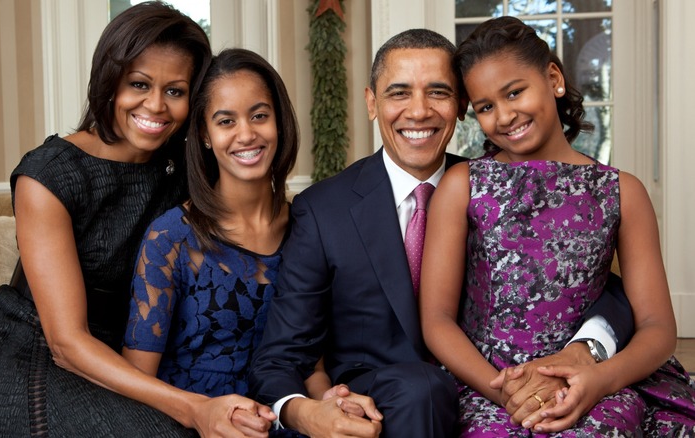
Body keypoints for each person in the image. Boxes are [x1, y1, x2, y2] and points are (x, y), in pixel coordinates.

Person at [248, 28, 634, 437]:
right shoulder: (324, 210)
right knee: (422, 389)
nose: (418, 111)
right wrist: (306, 412)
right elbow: (280, 356)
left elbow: (591, 283)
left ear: (462, 105)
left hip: (497, 388)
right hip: (385, 403)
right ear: (371, 103)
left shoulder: (494, 186)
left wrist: (588, 346)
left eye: (438, 92)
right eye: (399, 93)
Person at [0, 3, 212, 435]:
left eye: (175, 91)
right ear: (110, 81)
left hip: (118, 355)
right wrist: (193, 407)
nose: (155, 105)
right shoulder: (49, 175)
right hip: (22, 352)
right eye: (139, 84)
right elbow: (66, 343)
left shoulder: (185, 172)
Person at [420, 16, 695, 436]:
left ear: (553, 78)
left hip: (595, 382)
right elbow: (437, 319)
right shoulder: (463, 186)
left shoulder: (623, 191)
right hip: (488, 382)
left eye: (515, 92)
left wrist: (597, 381)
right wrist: (507, 393)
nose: (505, 116)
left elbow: (658, 329)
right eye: (486, 107)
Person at [121, 47, 303, 437]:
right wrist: (201, 414)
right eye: (226, 121)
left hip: (288, 420)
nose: (246, 134)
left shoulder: (308, 228)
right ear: (204, 134)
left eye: (259, 116)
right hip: (189, 424)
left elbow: (314, 360)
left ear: (279, 122)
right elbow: (137, 382)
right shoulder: (171, 238)